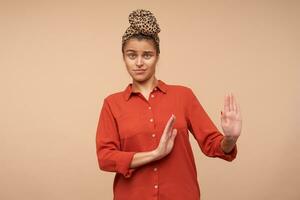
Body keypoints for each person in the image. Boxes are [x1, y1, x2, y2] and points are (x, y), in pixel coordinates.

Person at [95, 9, 242, 200]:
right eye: (132, 55)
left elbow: (213, 145)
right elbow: (105, 158)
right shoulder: (112, 104)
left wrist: (230, 138)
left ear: (157, 56)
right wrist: (155, 154)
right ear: (123, 57)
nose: (139, 62)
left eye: (147, 55)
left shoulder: (183, 96)